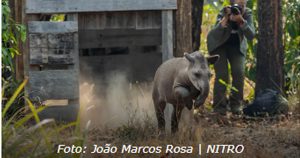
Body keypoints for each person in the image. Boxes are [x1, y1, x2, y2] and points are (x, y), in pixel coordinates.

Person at [207, 0, 255, 114]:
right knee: (222, 74)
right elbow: (215, 32)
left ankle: (236, 105)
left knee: (239, 73)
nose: (240, 7)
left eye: (243, 5)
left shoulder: (247, 14)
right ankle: (219, 107)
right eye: (238, 5)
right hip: (220, 45)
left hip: (236, 47)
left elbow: (251, 35)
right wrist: (226, 18)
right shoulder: (224, 11)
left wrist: (241, 21)